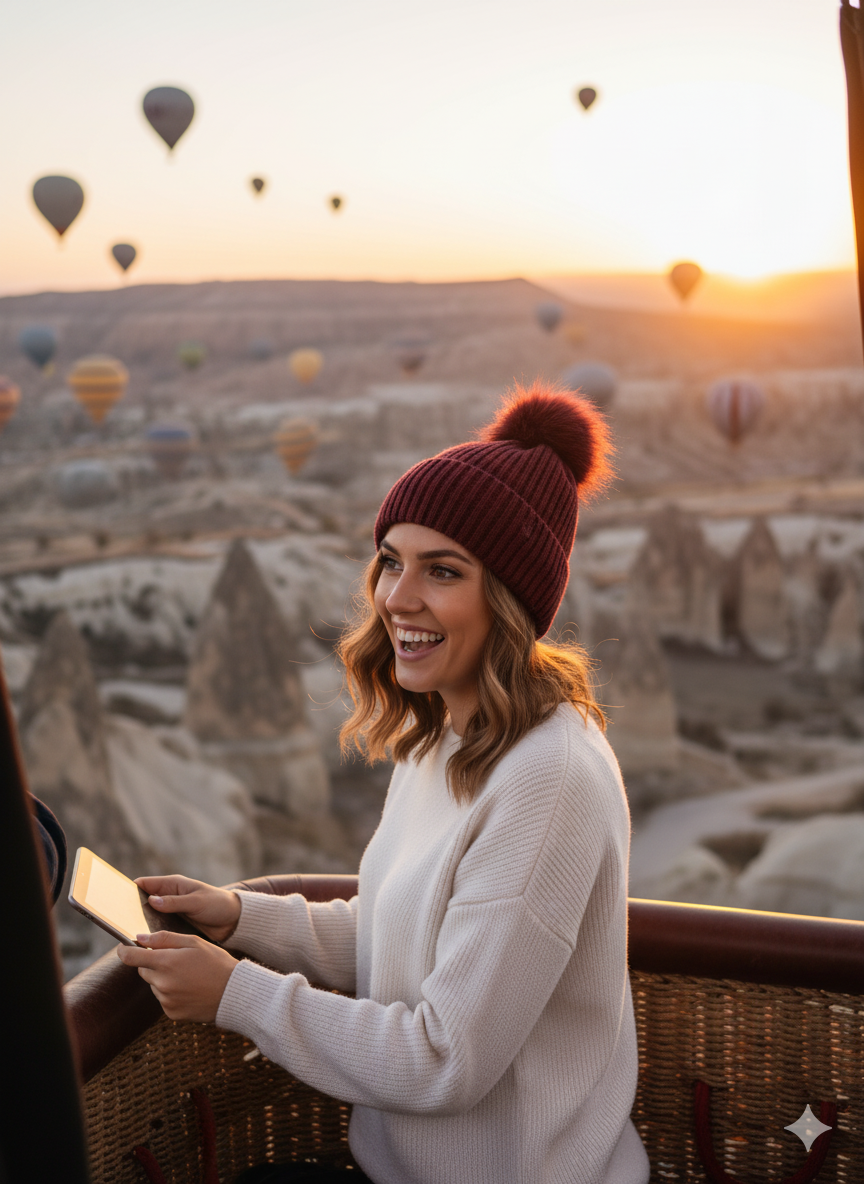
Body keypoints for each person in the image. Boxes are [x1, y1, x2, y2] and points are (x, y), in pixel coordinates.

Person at [118, 383, 651, 1184]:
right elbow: (399, 935)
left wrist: (237, 995)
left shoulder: (551, 781)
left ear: (509, 598)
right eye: (392, 561)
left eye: (443, 571)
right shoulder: (444, 732)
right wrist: (240, 918)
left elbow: (446, 1056)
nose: (399, 597)